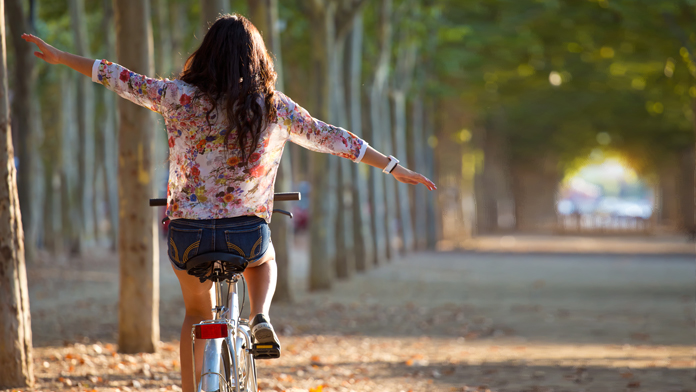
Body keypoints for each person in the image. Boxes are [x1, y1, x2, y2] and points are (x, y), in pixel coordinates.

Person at [23, 13, 436, 391]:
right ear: (256, 59)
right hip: (246, 233)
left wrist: (61, 57)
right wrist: (393, 166)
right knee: (265, 256)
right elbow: (333, 137)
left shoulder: (177, 97)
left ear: (204, 55)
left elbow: (117, 76)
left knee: (194, 313)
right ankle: (261, 316)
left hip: (187, 235)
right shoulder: (273, 106)